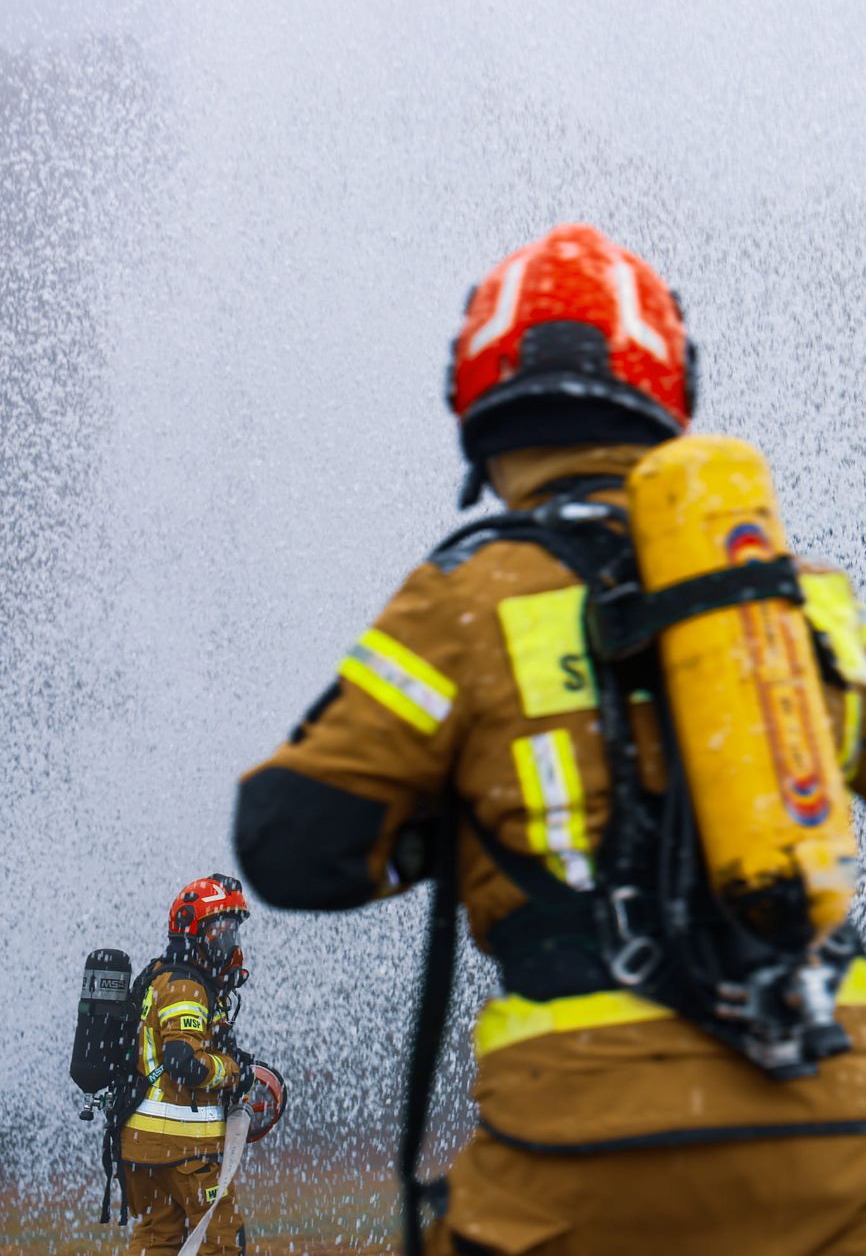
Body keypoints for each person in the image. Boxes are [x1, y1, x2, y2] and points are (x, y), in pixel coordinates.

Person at [233, 224, 866, 1255]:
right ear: (671, 389)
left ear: (477, 406)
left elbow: (292, 843)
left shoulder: (465, 599)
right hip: (840, 1125)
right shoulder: (797, 597)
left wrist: (447, 825)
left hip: (586, 1149)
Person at [120, 873, 255, 1255]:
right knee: (222, 1239)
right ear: (191, 933)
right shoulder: (186, 987)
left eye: (232, 931)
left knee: (156, 1238)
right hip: (183, 1148)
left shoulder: (161, 976)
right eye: (221, 931)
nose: (230, 942)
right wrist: (235, 1072)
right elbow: (184, 1064)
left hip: (142, 1148)